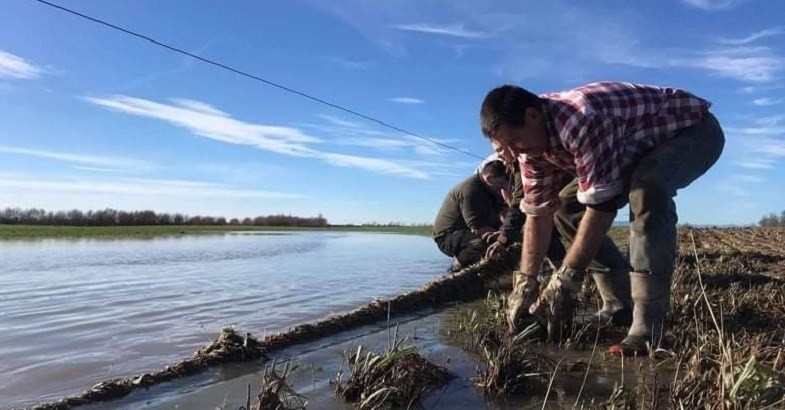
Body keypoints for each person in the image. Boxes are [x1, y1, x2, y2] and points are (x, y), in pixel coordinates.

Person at [480, 81, 724, 355]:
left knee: (646, 190)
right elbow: (538, 214)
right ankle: (619, 304)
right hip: (631, 148)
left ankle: (647, 327)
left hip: (691, 131)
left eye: (514, 142)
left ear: (533, 115)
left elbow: (602, 208)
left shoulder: (581, 119)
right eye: (504, 147)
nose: (512, 155)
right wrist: (525, 284)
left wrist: (566, 280)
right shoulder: (529, 149)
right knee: (567, 205)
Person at [433, 159, 508, 272]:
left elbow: (504, 215)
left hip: (469, 232)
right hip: (448, 235)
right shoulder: (471, 190)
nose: (502, 187)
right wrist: (504, 239)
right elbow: (477, 229)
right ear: (489, 178)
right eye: (500, 183)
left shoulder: (492, 189)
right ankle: (455, 271)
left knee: (501, 240)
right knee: (480, 244)